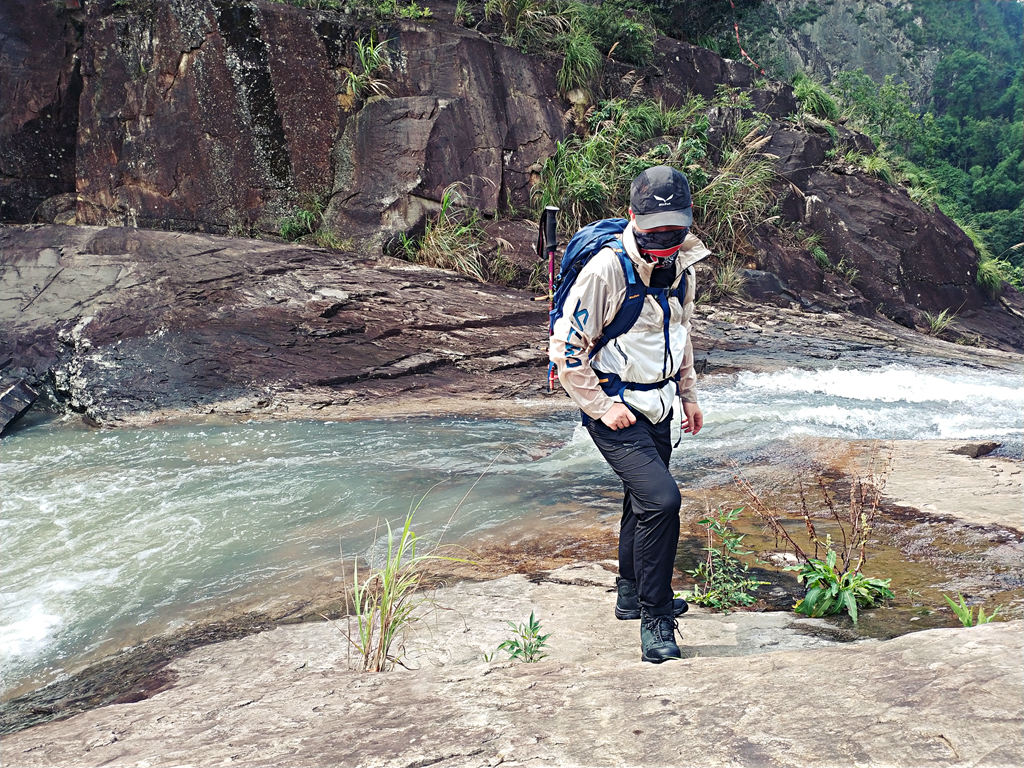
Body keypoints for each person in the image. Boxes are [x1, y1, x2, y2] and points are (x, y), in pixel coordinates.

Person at [549, 165, 710, 663]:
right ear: (633, 219)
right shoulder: (607, 270)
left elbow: (681, 334)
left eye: (675, 232)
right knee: (662, 501)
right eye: (655, 233)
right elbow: (565, 349)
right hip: (617, 407)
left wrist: (688, 395)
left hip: (660, 404)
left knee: (641, 500)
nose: (665, 243)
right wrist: (601, 406)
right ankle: (657, 620)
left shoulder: (685, 267)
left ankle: (629, 594)